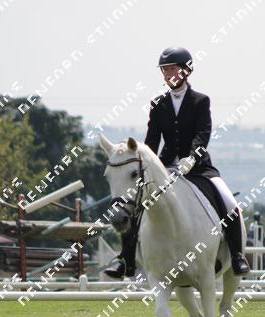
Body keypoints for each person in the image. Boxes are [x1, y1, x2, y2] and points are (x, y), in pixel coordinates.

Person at [103, 46, 251, 279]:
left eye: (172, 69)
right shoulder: (158, 104)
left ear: (186, 70)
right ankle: (125, 259)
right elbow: (152, 141)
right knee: (134, 204)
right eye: (164, 70)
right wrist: (147, 162)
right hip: (164, 169)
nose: (168, 74)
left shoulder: (200, 101)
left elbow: (203, 134)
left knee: (229, 202)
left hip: (198, 168)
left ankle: (237, 255)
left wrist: (191, 158)